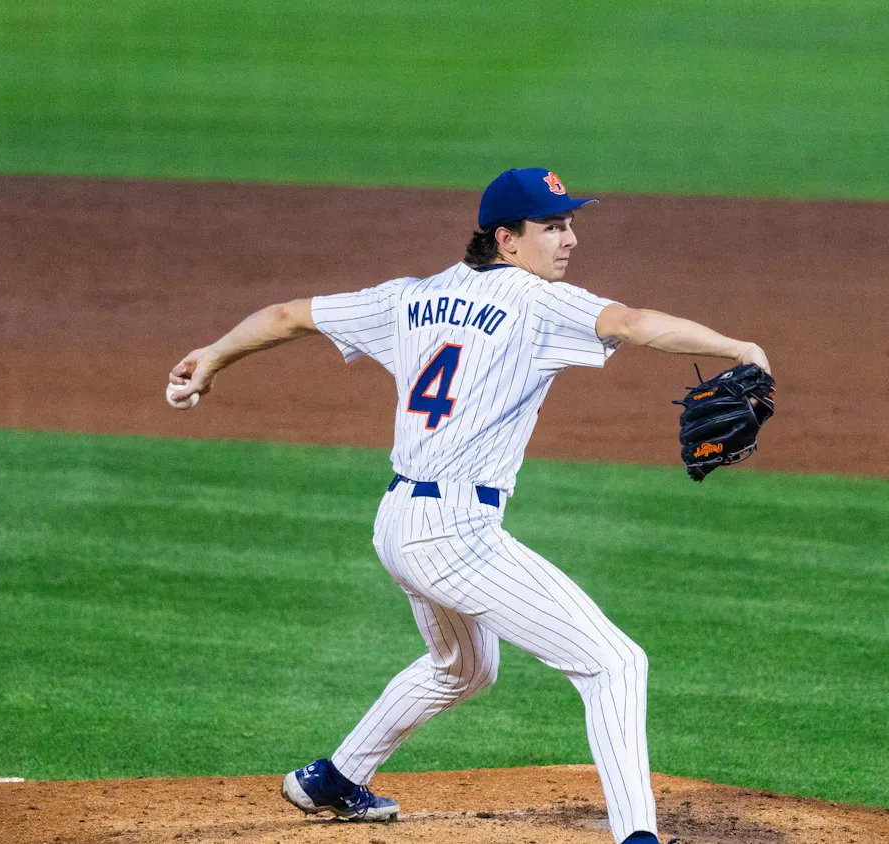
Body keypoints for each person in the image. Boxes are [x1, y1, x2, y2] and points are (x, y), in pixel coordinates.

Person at [167, 168, 770, 844]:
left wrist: (214, 355)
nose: (570, 239)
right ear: (508, 240)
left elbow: (287, 317)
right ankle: (638, 838)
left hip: (399, 523)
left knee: (465, 668)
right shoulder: (539, 303)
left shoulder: (412, 297)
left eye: (570, 223)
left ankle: (331, 778)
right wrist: (739, 348)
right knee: (614, 663)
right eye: (553, 226)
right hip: (454, 533)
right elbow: (632, 324)